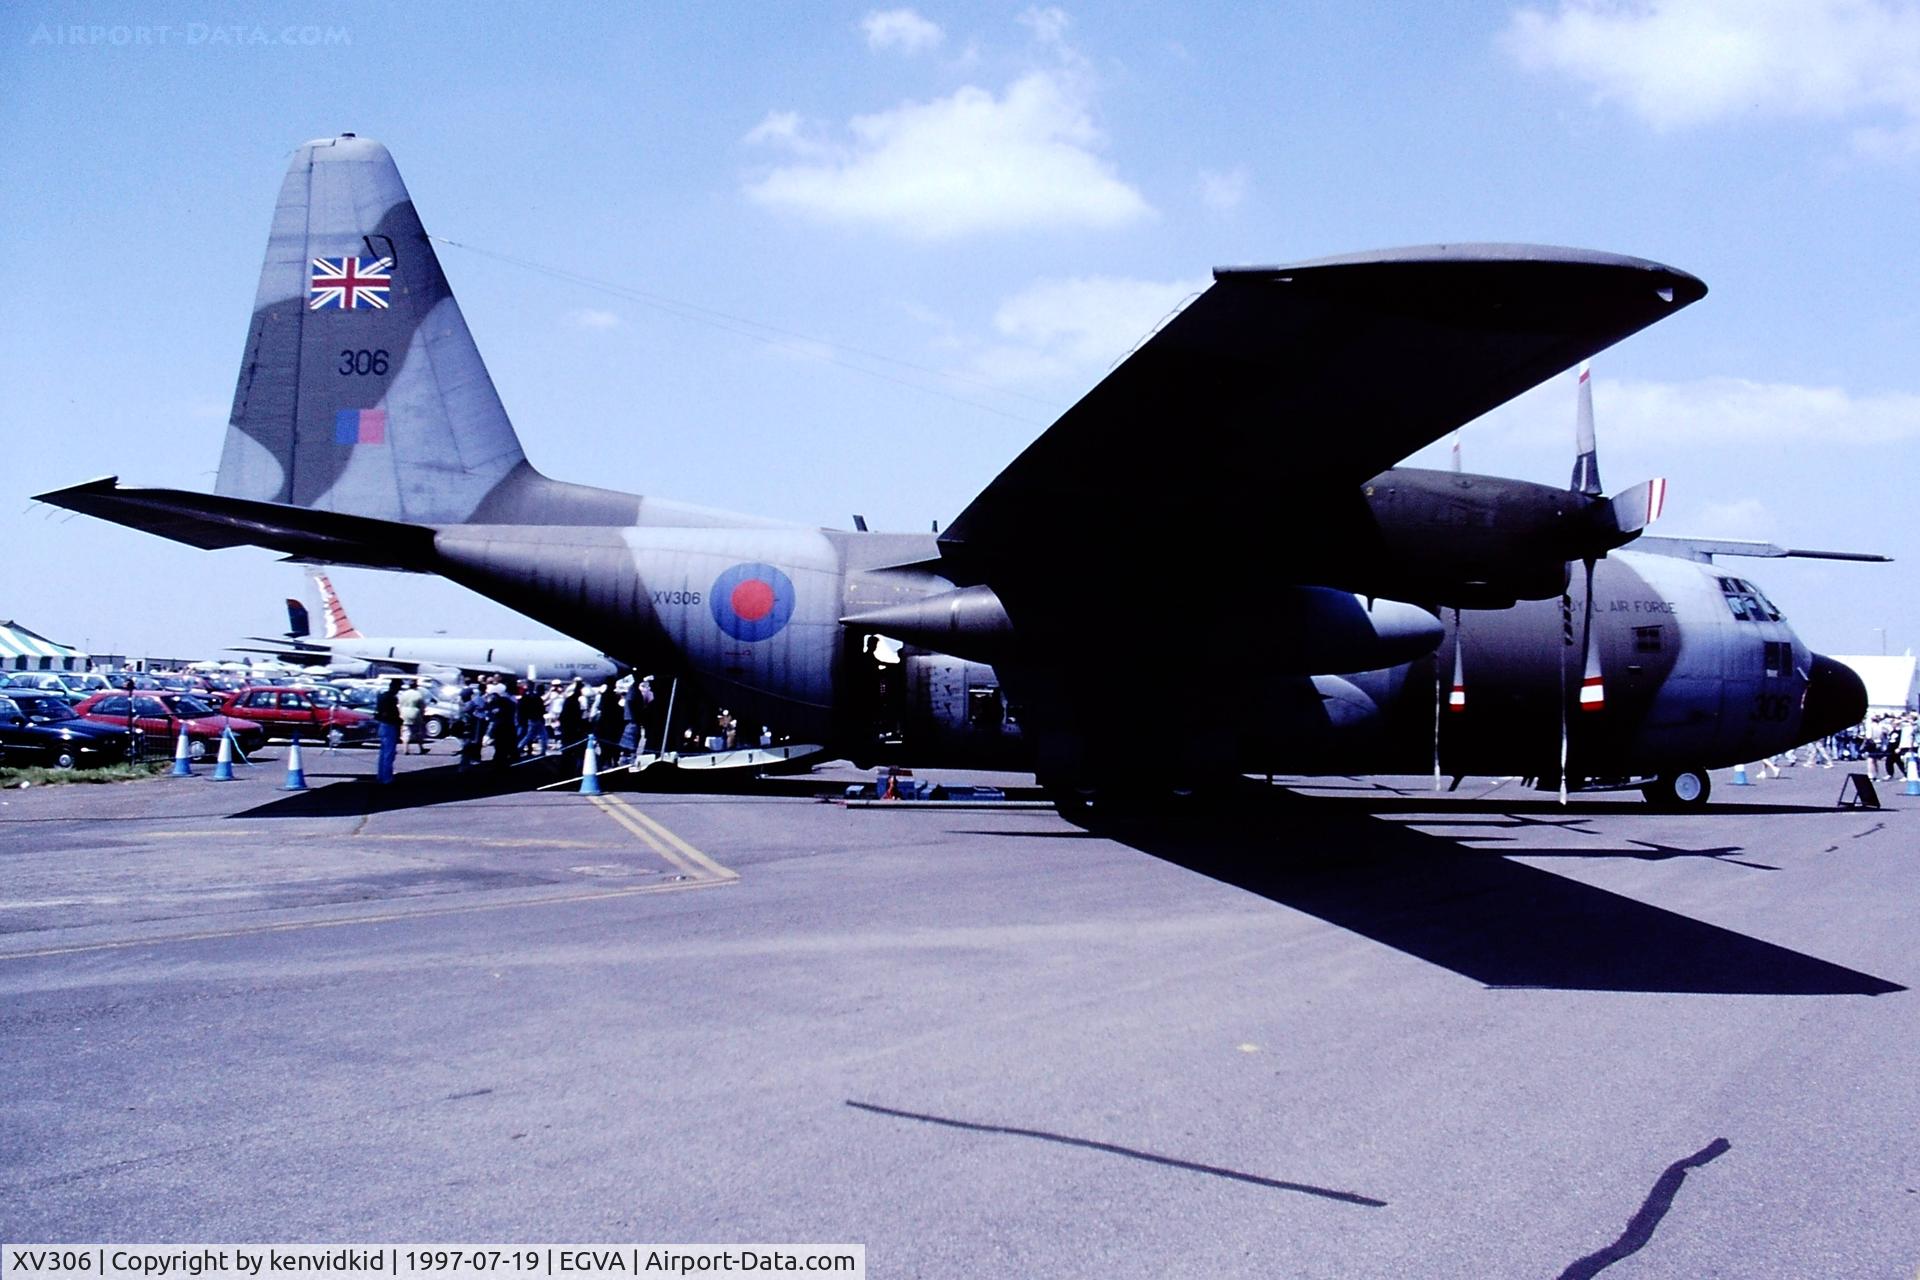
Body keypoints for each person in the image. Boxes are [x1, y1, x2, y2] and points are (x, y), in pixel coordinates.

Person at [374, 677, 402, 784]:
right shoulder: (391, 699)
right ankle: (387, 777)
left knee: (383, 752)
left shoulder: (382, 697)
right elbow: (393, 714)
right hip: (390, 725)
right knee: (389, 753)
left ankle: (381, 775)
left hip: (383, 725)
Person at [516, 681, 546, 757]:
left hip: (532, 719)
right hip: (536, 719)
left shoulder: (530, 696)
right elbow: (539, 709)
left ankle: (519, 747)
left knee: (529, 735)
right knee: (542, 735)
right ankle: (543, 751)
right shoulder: (536, 698)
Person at [397, 679, 426, 754]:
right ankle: (421, 748)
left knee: (405, 732)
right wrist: (422, 715)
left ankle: (406, 749)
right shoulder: (418, 694)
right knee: (417, 732)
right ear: (416, 686)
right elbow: (422, 706)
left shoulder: (403, 694)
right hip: (415, 714)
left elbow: (400, 704)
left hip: (404, 714)